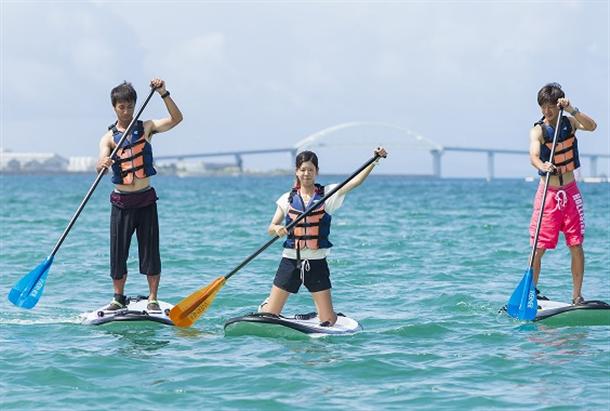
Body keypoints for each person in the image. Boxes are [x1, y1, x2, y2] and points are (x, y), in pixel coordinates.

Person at [259, 147, 388, 326]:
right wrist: (277, 228)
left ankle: (324, 313)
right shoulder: (287, 199)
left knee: (328, 321)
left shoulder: (328, 195)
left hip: (316, 263)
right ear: (296, 171)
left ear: (317, 172)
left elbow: (355, 182)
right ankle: (267, 305)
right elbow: (271, 228)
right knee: (269, 315)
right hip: (290, 262)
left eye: (310, 170)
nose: (306, 173)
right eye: (303, 170)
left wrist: (375, 160)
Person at [96, 78, 183, 311]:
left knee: (150, 251)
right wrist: (102, 163)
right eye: (121, 107)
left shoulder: (146, 127)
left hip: (145, 199)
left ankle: (153, 298)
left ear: (135, 105)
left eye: (130, 106)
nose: (126, 111)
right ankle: (118, 297)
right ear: (114, 107)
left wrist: (164, 93)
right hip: (121, 203)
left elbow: (176, 119)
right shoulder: (108, 138)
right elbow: (100, 161)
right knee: (118, 253)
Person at [528, 82, 596, 305]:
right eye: (543, 106)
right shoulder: (538, 130)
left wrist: (572, 109)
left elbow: (592, 126)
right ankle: (531, 293)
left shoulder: (570, 122)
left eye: (550, 106)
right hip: (548, 194)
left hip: (571, 192)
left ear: (559, 105)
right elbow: (533, 156)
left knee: (576, 244)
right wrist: (543, 165)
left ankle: (577, 296)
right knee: (539, 247)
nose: (546, 111)